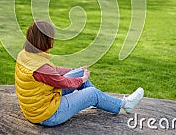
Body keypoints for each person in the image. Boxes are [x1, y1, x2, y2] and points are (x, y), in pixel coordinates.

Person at [15, 20, 144, 127]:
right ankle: (125, 105)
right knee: (92, 93)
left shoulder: (26, 54)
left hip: (40, 104)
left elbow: (52, 72)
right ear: (45, 40)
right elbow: (62, 82)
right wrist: (82, 79)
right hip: (47, 115)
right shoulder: (40, 67)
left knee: (79, 73)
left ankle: (99, 101)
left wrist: (74, 71)